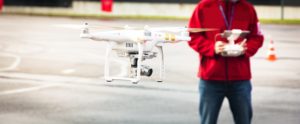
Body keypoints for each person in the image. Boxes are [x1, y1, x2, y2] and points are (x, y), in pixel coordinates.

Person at [188, 0, 264, 124]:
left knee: (244, 121)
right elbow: (192, 35)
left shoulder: (248, 9)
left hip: (240, 80)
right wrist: (211, 47)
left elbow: (257, 36)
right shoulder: (204, 6)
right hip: (210, 79)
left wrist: (246, 48)